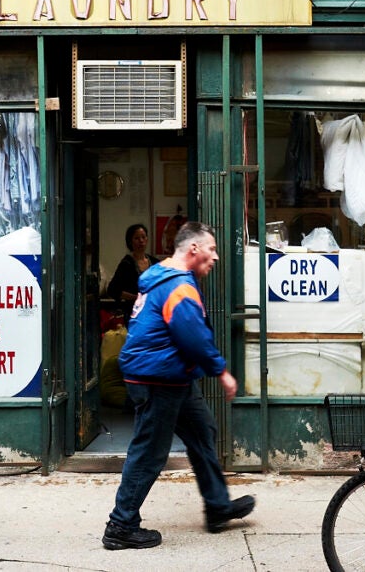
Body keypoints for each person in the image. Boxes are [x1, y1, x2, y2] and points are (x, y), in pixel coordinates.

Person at [102, 221, 255, 550]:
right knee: (149, 453)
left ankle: (217, 506)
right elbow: (194, 338)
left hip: (172, 375)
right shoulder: (178, 287)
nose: (215, 257)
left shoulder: (163, 277)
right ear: (194, 249)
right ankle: (121, 524)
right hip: (157, 378)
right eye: (211, 249)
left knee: (203, 431)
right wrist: (222, 371)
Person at [106, 223, 159, 309]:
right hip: (134, 311)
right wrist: (136, 298)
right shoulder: (127, 264)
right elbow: (112, 290)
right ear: (130, 242)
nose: (141, 241)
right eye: (137, 238)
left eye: (143, 237)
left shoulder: (154, 262)